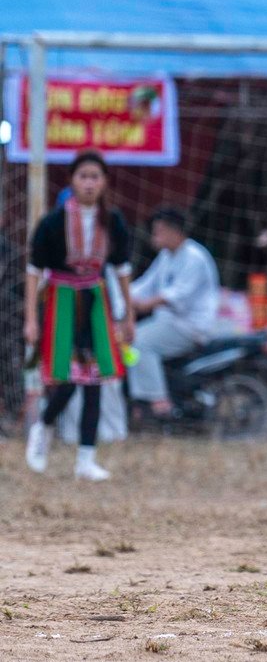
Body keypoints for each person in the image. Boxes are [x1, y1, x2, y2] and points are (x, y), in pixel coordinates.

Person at [24, 151, 132, 481]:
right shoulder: (53, 223)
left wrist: (127, 314)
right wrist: (31, 317)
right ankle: (43, 427)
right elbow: (33, 270)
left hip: (96, 299)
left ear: (104, 182)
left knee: (96, 381)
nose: (89, 183)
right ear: (72, 180)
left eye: (95, 177)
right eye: (83, 176)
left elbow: (122, 269)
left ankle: (86, 458)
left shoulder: (112, 221)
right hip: (61, 300)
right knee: (69, 379)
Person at [126, 207, 220, 417]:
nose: (154, 236)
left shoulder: (194, 256)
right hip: (168, 324)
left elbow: (178, 294)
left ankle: (159, 400)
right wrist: (122, 294)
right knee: (128, 347)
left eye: (158, 231)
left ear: (173, 231)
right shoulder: (166, 257)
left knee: (138, 342)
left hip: (189, 326)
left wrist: (148, 303)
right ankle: (139, 398)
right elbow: (145, 285)